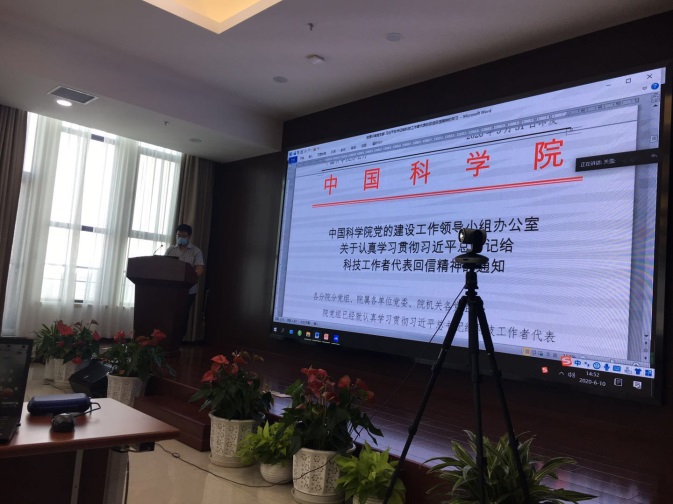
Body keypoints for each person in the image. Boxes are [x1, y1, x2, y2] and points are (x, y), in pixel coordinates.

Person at [165, 224, 205, 339]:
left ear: (189, 236)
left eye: (183, 236)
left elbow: (199, 269)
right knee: (169, 315)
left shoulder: (196, 251)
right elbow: (163, 265)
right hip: (171, 289)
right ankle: (166, 338)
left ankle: (178, 340)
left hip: (188, 290)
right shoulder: (171, 249)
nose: (180, 238)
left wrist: (192, 273)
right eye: (178, 235)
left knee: (182, 316)